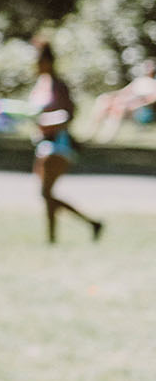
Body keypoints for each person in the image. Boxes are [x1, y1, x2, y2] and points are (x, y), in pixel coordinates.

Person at [28, 39, 103, 244]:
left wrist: (47, 122)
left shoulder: (58, 85)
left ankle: (87, 224)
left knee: (46, 193)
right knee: (46, 194)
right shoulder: (39, 84)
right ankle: (55, 237)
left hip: (58, 143)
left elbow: (68, 115)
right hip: (42, 143)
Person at [90, 58, 156, 143]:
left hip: (138, 109)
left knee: (121, 108)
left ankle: (109, 137)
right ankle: (92, 133)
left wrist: (136, 105)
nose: (147, 69)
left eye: (149, 67)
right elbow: (123, 92)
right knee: (103, 101)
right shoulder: (139, 81)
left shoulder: (154, 84)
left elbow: (151, 100)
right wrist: (108, 96)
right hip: (125, 103)